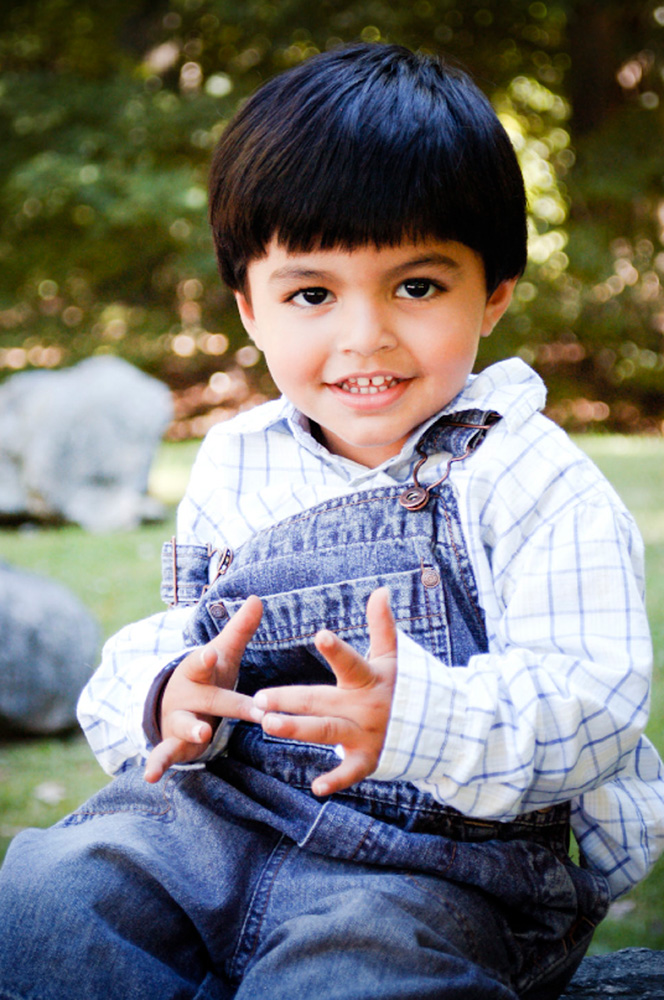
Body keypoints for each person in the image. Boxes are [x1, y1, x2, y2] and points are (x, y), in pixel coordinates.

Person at [1, 42, 663, 1000]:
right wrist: (169, 692)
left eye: (418, 287)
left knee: (355, 972)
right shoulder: (238, 463)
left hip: (431, 867)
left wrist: (417, 720)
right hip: (221, 824)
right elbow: (175, 633)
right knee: (51, 897)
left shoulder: (529, 475)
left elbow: (596, 704)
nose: (366, 336)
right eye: (313, 294)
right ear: (251, 310)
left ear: (496, 296)